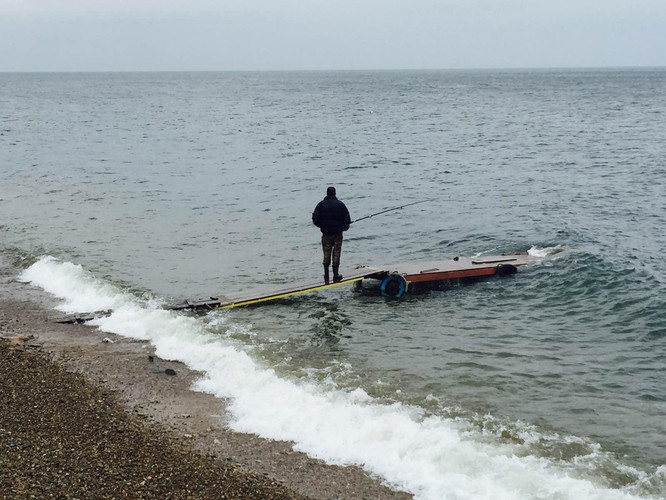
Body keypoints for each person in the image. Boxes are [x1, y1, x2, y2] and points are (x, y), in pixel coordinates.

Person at [312, 186, 351, 284]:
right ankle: (336, 274)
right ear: (335, 193)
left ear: (327, 193)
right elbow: (347, 219)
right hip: (338, 234)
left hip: (326, 234)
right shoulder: (340, 205)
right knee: (336, 254)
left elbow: (315, 219)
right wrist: (345, 227)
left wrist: (322, 226)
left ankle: (326, 275)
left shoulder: (320, 205)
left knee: (326, 254)